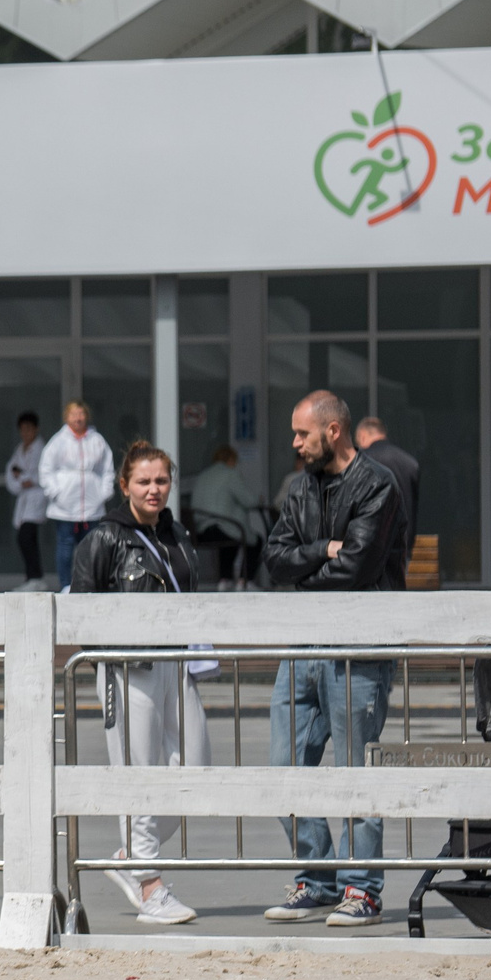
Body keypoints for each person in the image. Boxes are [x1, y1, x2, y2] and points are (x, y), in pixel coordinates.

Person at [259, 390, 402, 929]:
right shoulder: (301, 489)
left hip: (359, 649)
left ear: (333, 431)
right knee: (283, 770)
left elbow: (360, 569)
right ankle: (316, 880)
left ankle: (362, 889)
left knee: (355, 773)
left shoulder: (377, 485)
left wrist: (313, 563)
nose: (295, 444)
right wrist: (322, 549)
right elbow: (274, 560)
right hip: (302, 645)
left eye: (302, 433)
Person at [67, 441, 208, 927]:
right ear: (124, 485)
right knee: (139, 771)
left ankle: (130, 853)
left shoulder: (177, 533)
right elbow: (82, 611)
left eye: (162, 481)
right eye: (144, 481)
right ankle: (149, 885)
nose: (154, 489)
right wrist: (105, 667)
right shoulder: (104, 538)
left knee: (196, 768)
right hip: (129, 667)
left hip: (176, 663)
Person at [37, 399, 113, 578]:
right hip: (65, 506)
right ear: (66, 417)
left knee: (92, 548)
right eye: (73, 414)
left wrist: (104, 493)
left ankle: (90, 584)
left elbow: (107, 469)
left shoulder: (97, 440)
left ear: (86, 416)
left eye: (81, 414)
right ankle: (65, 585)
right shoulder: (58, 441)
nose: (78, 418)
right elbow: (45, 469)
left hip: (92, 505)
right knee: (65, 547)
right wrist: (56, 493)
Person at [353, 415, 419, 588]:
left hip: (367, 544)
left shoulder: (360, 461)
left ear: (362, 435)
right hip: (402, 544)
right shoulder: (409, 462)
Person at [186, 444, 260, 588]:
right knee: (254, 540)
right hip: (222, 527)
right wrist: (259, 500)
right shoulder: (230, 474)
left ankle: (224, 579)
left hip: (200, 531)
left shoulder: (203, 475)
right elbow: (248, 500)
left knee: (230, 537)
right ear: (231, 459)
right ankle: (245, 581)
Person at [4, 410, 49, 587]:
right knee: (26, 538)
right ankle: (32, 577)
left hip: (37, 497)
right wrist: (22, 480)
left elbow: (42, 475)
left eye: (29, 429)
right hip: (24, 498)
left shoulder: (42, 449)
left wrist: (24, 478)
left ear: (36, 429)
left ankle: (36, 577)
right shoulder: (19, 449)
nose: (25, 433)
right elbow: (11, 472)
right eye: (22, 430)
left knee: (26, 536)